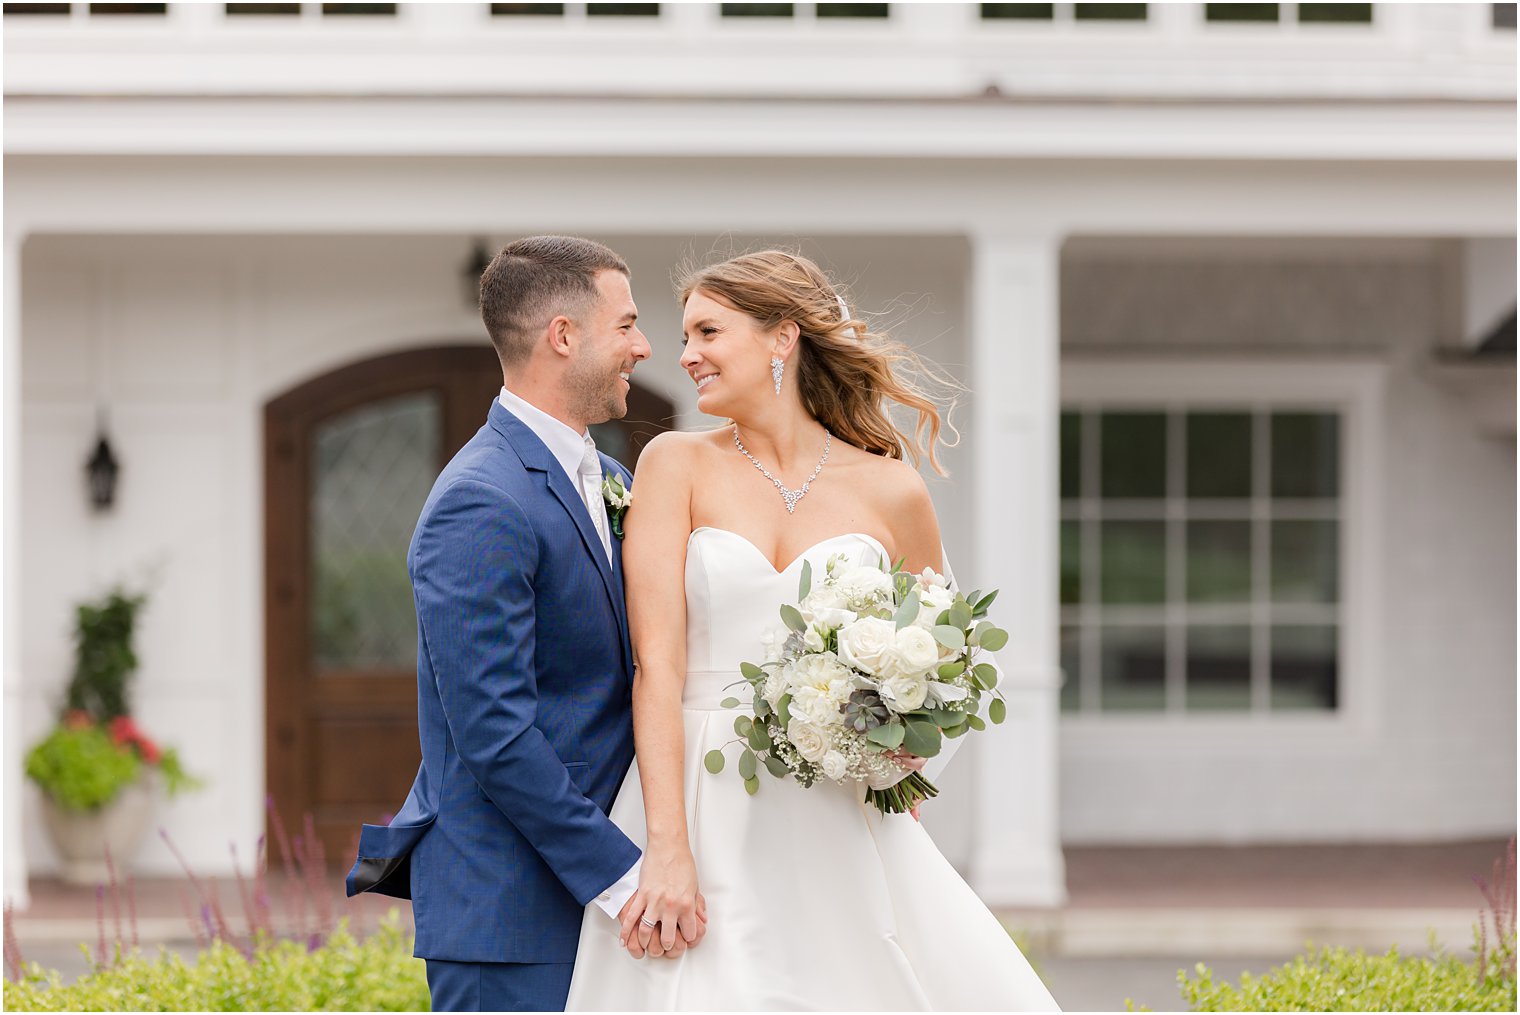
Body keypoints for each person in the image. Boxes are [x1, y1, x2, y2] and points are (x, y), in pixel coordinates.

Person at [564, 250, 1059, 1010]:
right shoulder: (674, 464)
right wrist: (667, 847)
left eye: (707, 330)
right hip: (698, 792)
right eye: (684, 333)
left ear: (782, 337)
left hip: (834, 800)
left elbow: (944, 659)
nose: (686, 353)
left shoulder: (890, 487)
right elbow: (655, 669)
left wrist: (894, 750)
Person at [344, 235, 704, 1012]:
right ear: (563, 336)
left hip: (597, 899)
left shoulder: (609, 477)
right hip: (509, 917)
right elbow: (494, 732)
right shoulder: (480, 499)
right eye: (627, 325)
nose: (644, 348)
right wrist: (625, 872)